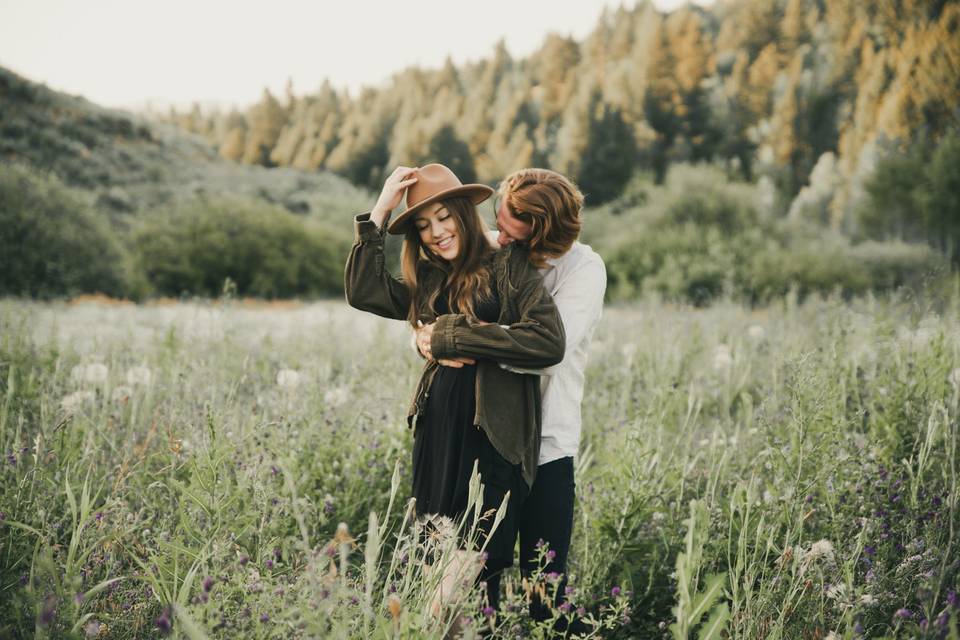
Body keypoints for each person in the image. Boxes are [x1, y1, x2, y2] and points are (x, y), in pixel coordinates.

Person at [344, 163, 566, 613]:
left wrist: (452, 335)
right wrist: (381, 210)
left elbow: (547, 341)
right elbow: (363, 290)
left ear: (464, 213)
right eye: (424, 226)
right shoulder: (429, 279)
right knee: (446, 592)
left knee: (445, 594)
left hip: (491, 444)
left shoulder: (509, 268)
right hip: (437, 444)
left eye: (445, 217)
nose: (437, 232)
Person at [417, 168, 606, 627]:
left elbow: (545, 353)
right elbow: (437, 307)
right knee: (477, 584)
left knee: (546, 591)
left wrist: (453, 336)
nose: (508, 240)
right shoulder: (493, 250)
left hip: (547, 443)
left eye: (525, 241)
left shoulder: (583, 269)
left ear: (550, 235)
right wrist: (423, 336)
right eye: (502, 223)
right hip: (487, 439)